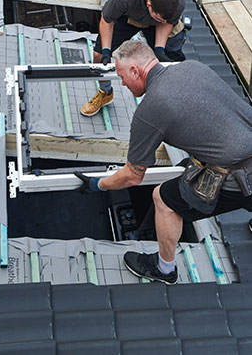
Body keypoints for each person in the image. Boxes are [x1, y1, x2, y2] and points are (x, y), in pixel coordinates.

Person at [75, 40, 252, 284]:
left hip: (241, 177)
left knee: (164, 199)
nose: (123, 83)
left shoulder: (150, 109)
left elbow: (133, 176)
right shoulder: (192, 67)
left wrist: (99, 184)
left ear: (136, 71)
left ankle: (164, 269)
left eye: (122, 76)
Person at [80, 0, 187, 117]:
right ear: (149, 4)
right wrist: (106, 51)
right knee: (98, 55)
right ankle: (105, 92)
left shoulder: (177, 4)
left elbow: (166, 23)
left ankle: (170, 99)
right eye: (159, 17)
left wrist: (160, 50)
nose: (162, 20)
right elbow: (107, 21)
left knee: (170, 60)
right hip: (129, 16)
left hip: (155, 24)